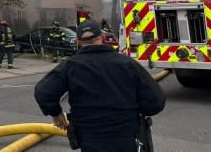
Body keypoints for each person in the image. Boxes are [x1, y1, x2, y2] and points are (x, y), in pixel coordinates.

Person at [34, 20, 166, 151]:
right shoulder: (126, 63)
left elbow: (43, 92)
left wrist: (56, 113)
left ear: (78, 42)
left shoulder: (70, 66)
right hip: (126, 137)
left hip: (90, 139)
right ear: (102, 38)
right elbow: (155, 101)